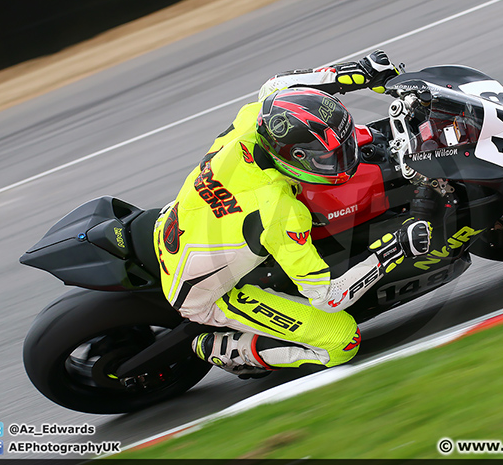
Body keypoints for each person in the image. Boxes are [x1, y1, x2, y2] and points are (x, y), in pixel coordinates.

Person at [153, 50, 431, 378]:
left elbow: (280, 86)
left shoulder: (254, 120)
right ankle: (231, 350)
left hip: (177, 221)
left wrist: (358, 72)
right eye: (329, 158)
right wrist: (397, 248)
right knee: (343, 340)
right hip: (205, 295)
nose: (343, 159)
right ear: (294, 158)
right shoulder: (280, 211)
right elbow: (328, 297)